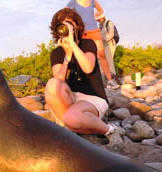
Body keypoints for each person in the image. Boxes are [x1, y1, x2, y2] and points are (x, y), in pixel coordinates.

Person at [45, 8, 120, 137]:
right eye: (62, 24)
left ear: (77, 26)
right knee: (52, 84)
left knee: (72, 118)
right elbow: (59, 83)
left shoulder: (87, 44)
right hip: (71, 97)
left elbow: (88, 68)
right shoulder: (57, 53)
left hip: (92, 98)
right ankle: (71, 126)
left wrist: (73, 46)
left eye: (69, 24)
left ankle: (108, 130)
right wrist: (67, 55)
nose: (66, 28)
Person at [66, 0, 114, 88]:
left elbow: (100, 10)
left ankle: (110, 81)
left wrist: (97, 15)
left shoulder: (92, 0)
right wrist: (72, 22)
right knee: (83, 57)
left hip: (94, 30)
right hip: (81, 32)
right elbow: (65, 12)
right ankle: (84, 82)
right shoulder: (73, 1)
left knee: (101, 54)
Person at [97, 12, 118, 82]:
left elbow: (111, 34)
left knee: (109, 62)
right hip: (103, 45)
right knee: (101, 62)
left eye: (98, 19)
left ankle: (113, 81)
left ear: (102, 17)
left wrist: (103, 38)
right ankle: (103, 81)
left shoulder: (109, 23)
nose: (98, 20)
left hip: (110, 45)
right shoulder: (100, 25)